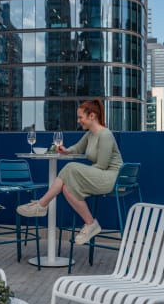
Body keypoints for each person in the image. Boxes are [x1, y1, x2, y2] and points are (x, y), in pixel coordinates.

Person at [16, 98, 123, 245]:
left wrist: (80, 175)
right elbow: (77, 148)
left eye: (80, 117)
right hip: (100, 174)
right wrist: (66, 150)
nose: (79, 121)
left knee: (71, 168)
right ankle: (90, 223)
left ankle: (41, 205)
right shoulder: (90, 134)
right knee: (66, 187)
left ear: (92, 116)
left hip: (111, 177)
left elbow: (102, 165)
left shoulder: (105, 135)